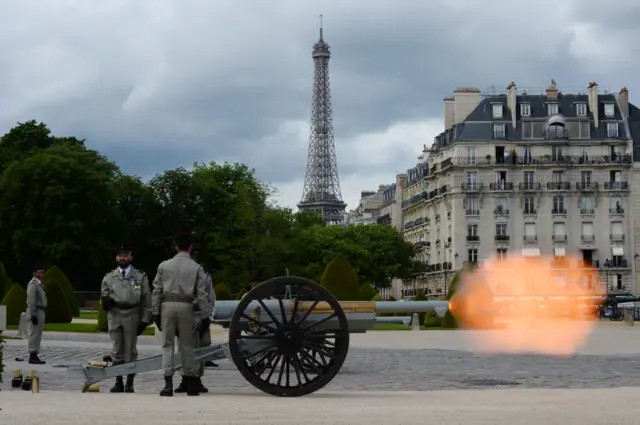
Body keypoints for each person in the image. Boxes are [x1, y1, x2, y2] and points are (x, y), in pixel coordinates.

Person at [152, 232, 209, 397]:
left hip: (167, 305)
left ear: (176, 247)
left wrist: (156, 312)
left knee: (167, 344)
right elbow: (201, 294)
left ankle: (168, 384)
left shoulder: (164, 265)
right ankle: (191, 383)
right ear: (191, 247)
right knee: (187, 345)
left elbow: (157, 290)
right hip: (186, 306)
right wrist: (204, 314)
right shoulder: (196, 267)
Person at [100, 244, 152, 393]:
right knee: (116, 348)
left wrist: (145, 319)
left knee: (130, 349)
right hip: (115, 314)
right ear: (116, 258)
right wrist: (105, 302)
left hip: (132, 313)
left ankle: (130, 382)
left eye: (125, 255)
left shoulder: (140, 276)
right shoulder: (109, 277)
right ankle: (118, 382)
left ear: (130, 257)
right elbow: (104, 294)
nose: (122, 258)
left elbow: (146, 299)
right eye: (120, 255)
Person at [174, 271, 217, 393]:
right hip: (185, 313)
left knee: (201, 347)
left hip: (199, 314)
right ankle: (185, 379)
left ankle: (197, 379)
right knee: (183, 348)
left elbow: (211, 298)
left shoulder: (205, 277)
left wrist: (207, 317)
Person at [26, 265, 47, 365]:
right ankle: (32, 354)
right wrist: (33, 314)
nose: (42, 274)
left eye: (42, 272)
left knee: (37, 334)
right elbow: (31, 300)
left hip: (40, 311)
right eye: (40, 272)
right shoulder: (33, 284)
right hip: (36, 311)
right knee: (34, 333)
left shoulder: (39, 284)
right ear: (35, 273)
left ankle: (35, 353)